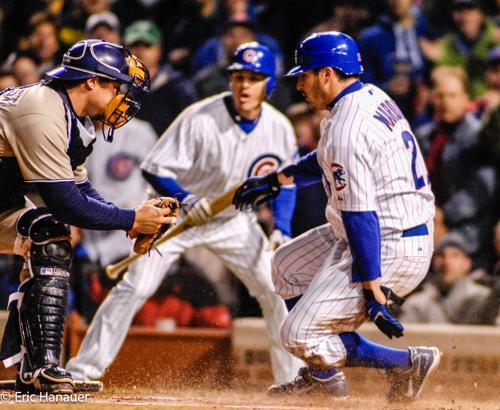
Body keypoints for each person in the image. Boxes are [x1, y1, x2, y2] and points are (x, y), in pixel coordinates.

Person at [65, 42, 303, 385]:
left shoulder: (279, 127)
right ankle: (82, 372)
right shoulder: (201, 116)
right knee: (136, 286)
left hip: (233, 221)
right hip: (175, 215)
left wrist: (282, 227)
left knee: (274, 289)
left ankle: (291, 380)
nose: (245, 86)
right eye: (239, 77)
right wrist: (187, 199)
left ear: (270, 85)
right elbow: (153, 167)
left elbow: (285, 182)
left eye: (254, 79)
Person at [233, 31, 441, 401]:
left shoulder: (348, 126)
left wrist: (372, 287)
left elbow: (361, 215)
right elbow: (327, 157)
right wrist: (278, 179)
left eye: (305, 75)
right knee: (285, 265)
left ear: (327, 73)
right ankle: (324, 373)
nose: (299, 84)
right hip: (380, 229)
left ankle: (403, 363)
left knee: (298, 334)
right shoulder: (366, 96)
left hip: (389, 243)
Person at [0, 39, 176, 394]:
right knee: (52, 227)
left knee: (49, 235)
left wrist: (130, 223)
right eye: (116, 86)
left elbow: (80, 189)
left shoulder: (70, 116)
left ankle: (40, 368)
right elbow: (66, 203)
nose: (121, 97)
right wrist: (131, 219)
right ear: (91, 82)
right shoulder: (42, 111)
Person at [400, 233, 492, 324]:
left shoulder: (483, 297)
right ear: (433, 262)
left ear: (467, 263)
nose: (447, 262)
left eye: (455, 255)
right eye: (441, 255)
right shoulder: (417, 303)